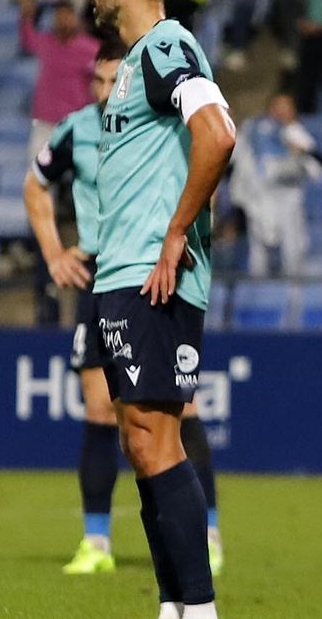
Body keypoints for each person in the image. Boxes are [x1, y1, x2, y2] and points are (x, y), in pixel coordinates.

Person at [83, 0, 238, 619]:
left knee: (156, 439)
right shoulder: (140, 58)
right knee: (143, 442)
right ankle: (174, 616)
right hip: (126, 273)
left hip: (155, 272)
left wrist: (177, 234)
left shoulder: (169, 46)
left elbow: (217, 134)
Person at [24, 42, 225, 577]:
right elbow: (35, 186)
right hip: (98, 273)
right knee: (98, 411)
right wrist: (52, 253)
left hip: (152, 268)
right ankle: (96, 541)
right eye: (99, 82)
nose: (107, 91)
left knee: (180, 411)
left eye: (116, 81)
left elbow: (210, 160)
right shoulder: (77, 130)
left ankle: (207, 533)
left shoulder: (160, 122)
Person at [231, 90, 316, 275]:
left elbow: (314, 168)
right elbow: (234, 151)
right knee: (258, 249)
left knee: (292, 249)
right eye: (277, 106)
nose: (281, 111)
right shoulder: (255, 130)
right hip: (260, 197)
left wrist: (296, 152)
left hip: (288, 199)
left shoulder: (298, 133)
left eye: (286, 107)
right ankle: (257, 296)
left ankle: (295, 297)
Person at [20, 0, 101, 156]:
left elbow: (105, 74)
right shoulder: (45, 43)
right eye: (59, 17)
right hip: (44, 122)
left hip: (75, 123)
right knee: (36, 171)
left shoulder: (90, 48)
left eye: (67, 17)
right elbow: (28, 40)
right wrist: (26, 18)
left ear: (75, 19)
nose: (63, 21)